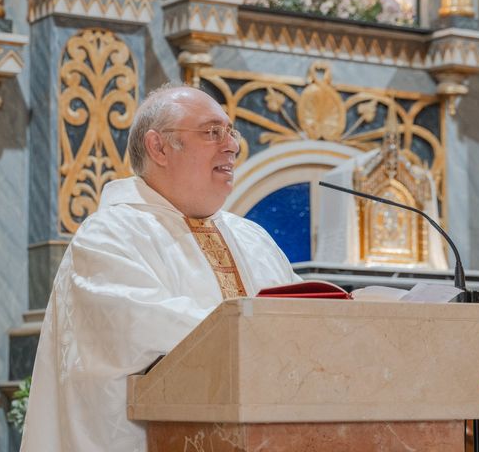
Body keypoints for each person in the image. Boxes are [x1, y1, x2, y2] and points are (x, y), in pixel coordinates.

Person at [20, 85, 300, 452]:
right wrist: (268, 334)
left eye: (231, 132)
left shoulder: (252, 238)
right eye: (212, 132)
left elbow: (305, 317)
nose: (231, 145)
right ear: (159, 147)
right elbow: (143, 327)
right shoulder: (110, 235)